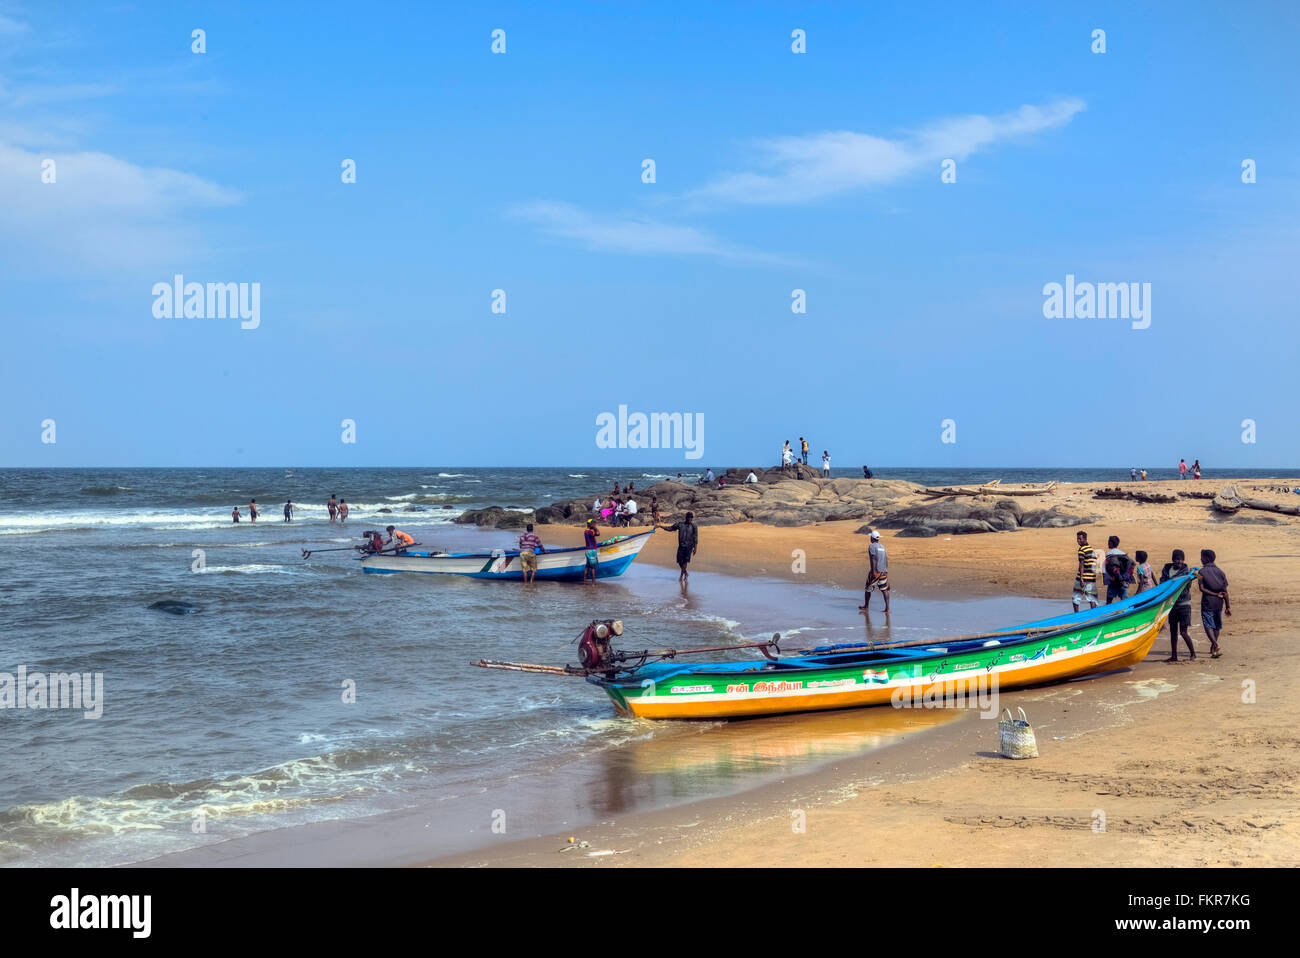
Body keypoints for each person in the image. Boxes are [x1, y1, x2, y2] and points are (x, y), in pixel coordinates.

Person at [1160, 549, 1195, 661]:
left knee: (1183, 632)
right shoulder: (1166, 571)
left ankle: (1193, 654)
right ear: (1173, 560)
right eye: (1177, 559)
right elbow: (1162, 584)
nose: (1179, 561)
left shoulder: (1187, 573)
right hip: (1171, 605)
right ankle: (1174, 656)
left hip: (1184, 604)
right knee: (1173, 632)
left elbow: (1187, 587)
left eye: (1181, 559)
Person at [1197, 549, 1230, 658]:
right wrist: (1228, 606)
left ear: (1206, 558)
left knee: (1208, 625)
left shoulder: (1201, 572)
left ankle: (1215, 644)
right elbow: (1225, 592)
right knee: (1216, 626)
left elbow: (1201, 588)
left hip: (1208, 602)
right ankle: (1213, 648)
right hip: (1219, 604)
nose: (1200, 559)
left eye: (1202, 557)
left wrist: (1214, 594)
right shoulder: (1221, 572)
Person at [659, 511, 698, 586]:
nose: (690, 519)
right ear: (686, 518)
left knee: (685, 561)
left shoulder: (694, 526)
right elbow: (670, 528)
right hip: (681, 546)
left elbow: (695, 537)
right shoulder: (680, 525)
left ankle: (681, 576)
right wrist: (661, 526)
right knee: (679, 561)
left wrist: (695, 548)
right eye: (689, 517)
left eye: (691, 518)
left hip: (689, 546)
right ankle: (685, 572)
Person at [860, 530, 890, 613]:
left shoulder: (872, 546)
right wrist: (886, 570)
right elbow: (886, 559)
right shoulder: (882, 547)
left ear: (872, 538)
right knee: (884, 590)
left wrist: (873, 572)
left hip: (876, 571)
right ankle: (887, 609)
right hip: (883, 571)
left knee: (868, 589)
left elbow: (873, 559)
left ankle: (866, 606)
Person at [1073, 530, 1099, 611]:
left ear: (1085, 539)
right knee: (1092, 599)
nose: (1078, 541)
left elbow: (1081, 564)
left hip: (1083, 577)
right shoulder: (1091, 549)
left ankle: (1076, 617)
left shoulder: (1081, 550)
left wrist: (1081, 578)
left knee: (1076, 598)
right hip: (1091, 578)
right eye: (1077, 539)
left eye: (1080, 539)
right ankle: (1093, 616)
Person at [1102, 535, 1132, 603]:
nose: (1108, 544)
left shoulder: (1108, 554)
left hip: (1113, 582)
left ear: (1111, 543)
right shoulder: (1123, 553)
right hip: (1123, 581)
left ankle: (1109, 613)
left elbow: (1105, 568)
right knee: (1124, 600)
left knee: (1109, 601)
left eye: (1108, 542)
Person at [583, 519, 600, 585]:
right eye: (593, 524)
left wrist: (593, 528)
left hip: (588, 550)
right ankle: (593, 583)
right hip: (592, 551)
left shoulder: (585, 531)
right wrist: (595, 528)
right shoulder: (589, 532)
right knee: (593, 568)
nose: (594, 525)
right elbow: (598, 533)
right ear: (589, 524)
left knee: (587, 566)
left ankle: (584, 582)